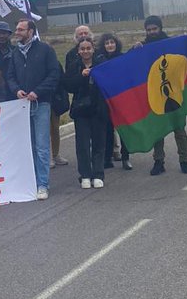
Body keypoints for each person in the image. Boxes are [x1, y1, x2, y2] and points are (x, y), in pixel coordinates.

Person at [5, 18, 62, 200]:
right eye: (17, 29)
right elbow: (10, 76)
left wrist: (38, 91)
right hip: (22, 106)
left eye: (21, 30)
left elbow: (54, 74)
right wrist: (16, 90)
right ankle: (30, 181)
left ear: (30, 31)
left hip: (41, 103)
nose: (17, 32)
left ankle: (42, 184)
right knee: (28, 145)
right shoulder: (15, 53)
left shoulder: (45, 50)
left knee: (42, 146)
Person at [143, 16, 187, 176]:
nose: (152, 32)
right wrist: (134, 49)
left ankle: (184, 160)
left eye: (154, 29)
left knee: (179, 129)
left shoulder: (172, 44)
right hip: (156, 95)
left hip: (174, 93)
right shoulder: (143, 48)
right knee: (158, 130)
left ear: (160, 28)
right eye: (149, 30)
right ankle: (158, 161)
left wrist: (186, 41)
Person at [62, 37, 109, 189]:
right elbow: (68, 86)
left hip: (99, 109)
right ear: (78, 51)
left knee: (99, 143)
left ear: (93, 49)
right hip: (81, 110)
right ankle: (85, 175)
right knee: (82, 145)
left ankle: (98, 174)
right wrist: (82, 76)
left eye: (88, 48)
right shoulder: (74, 66)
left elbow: (109, 81)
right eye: (82, 49)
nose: (85, 51)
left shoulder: (101, 64)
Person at [55, 25, 93, 168]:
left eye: (85, 33)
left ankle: (110, 154)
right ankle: (85, 165)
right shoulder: (70, 55)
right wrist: (81, 77)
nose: (83, 35)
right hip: (80, 100)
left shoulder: (99, 53)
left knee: (101, 133)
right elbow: (68, 79)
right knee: (83, 136)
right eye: (80, 34)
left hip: (98, 99)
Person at [98, 32, 131, 170]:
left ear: (116, 44)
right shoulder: (99, 59)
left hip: (120, 98)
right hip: (105, 99)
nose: (110, 45)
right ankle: (107, 158)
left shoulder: (123, 58)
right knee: (107, 129)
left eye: (112, 42)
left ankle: (125, 157)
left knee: (123, 129)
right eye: (107, 43)